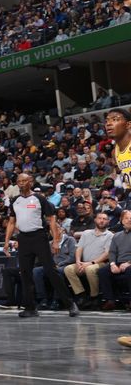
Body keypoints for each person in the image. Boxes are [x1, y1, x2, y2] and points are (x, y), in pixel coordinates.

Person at [3, 173, 79, 318]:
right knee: (25, 273)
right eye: (19, 181)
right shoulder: (15, 200)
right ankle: (31, 307)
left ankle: (70, 303)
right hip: (23, 239)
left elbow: (51, 219)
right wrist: (7, 241)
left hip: (39, 237)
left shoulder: (39, 198)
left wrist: (56, 240)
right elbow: (12, 222)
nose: (21, 183)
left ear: (30, 182)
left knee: (51, 271)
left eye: (24, 180)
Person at [104, 108, 131, 347]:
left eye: (115, 119)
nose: (109, 124)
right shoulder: (116, 150)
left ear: (129, 124)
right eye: (107, 120)